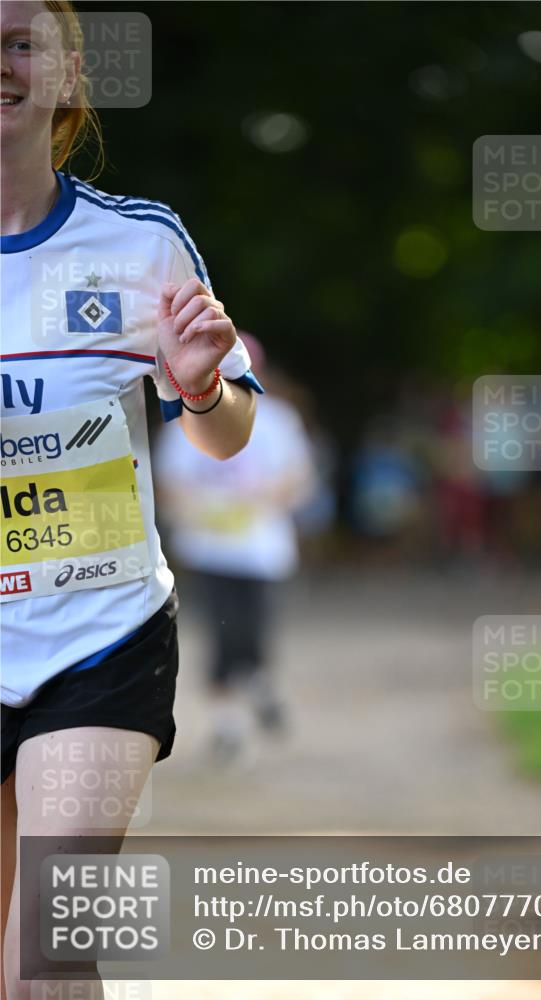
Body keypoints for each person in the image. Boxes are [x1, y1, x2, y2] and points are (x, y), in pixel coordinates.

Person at [0, 3, 262, 997]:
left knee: (47, 959)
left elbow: (230, 432)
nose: (2, 67)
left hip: (99, 635)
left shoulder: (141, 242)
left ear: (67, 75)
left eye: (20, 43)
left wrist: (199, 385)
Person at [155, 335, 316, 764]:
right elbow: (171, 480)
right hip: (211, 549)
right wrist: (200, 506)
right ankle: (228, 722)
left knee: (255, 630)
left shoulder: (279, 420)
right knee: (224, 634)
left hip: (262, 548)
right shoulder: (186, 416)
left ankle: (259, 683)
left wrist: (261, 498)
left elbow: (298, 476)